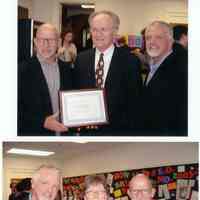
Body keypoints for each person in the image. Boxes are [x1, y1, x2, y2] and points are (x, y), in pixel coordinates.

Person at [73, 10, 142, 136]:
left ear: (115, 32)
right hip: (86, 133)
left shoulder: (130, 62)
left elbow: (135, 104)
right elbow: (76, 94)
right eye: (94, 29)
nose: (98, 34)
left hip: (117, 133)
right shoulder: (81, 59)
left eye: (103, 29)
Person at [18, 23, 73, 136]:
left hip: (65, 136)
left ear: (58, 42)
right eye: (42, 40)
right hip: (36, 136)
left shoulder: (67, 70)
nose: (46, 45)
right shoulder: (20, 71)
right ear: (35, 42)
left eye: (51, 40)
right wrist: (42, 122)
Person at [141, 21, 187, 136]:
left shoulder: (181, 68)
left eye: (158, 37)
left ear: (170, 41)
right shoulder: (154, 63)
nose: (152, 42)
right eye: (148, 38)